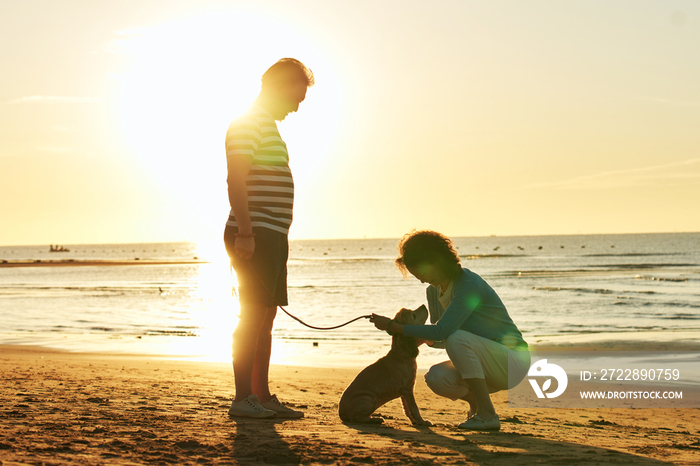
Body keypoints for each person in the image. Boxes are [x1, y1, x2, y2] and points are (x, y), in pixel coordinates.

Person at [224, 58, 314, 419]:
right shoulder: (247, 123)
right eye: (296, 98)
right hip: (254, 233)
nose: (296, 107)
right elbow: (236, 179)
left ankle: (260, 397)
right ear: (279, 86)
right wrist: (246, 232)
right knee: (253, 317)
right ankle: (242, 399)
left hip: (272, 234)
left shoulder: (268, 127)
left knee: (267, 317)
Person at [369, 230, 530, 431]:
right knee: (436, 377)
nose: (421, 280)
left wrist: (394, 327)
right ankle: (478, 405)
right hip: (484, 363)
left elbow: (443, 332)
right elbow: (442, 339)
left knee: (456, 337)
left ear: (436, 261)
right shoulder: (433, 291)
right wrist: (422, 338)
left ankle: (488, 415)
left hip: (512, 362)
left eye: (421, 274)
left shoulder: (468, 285)